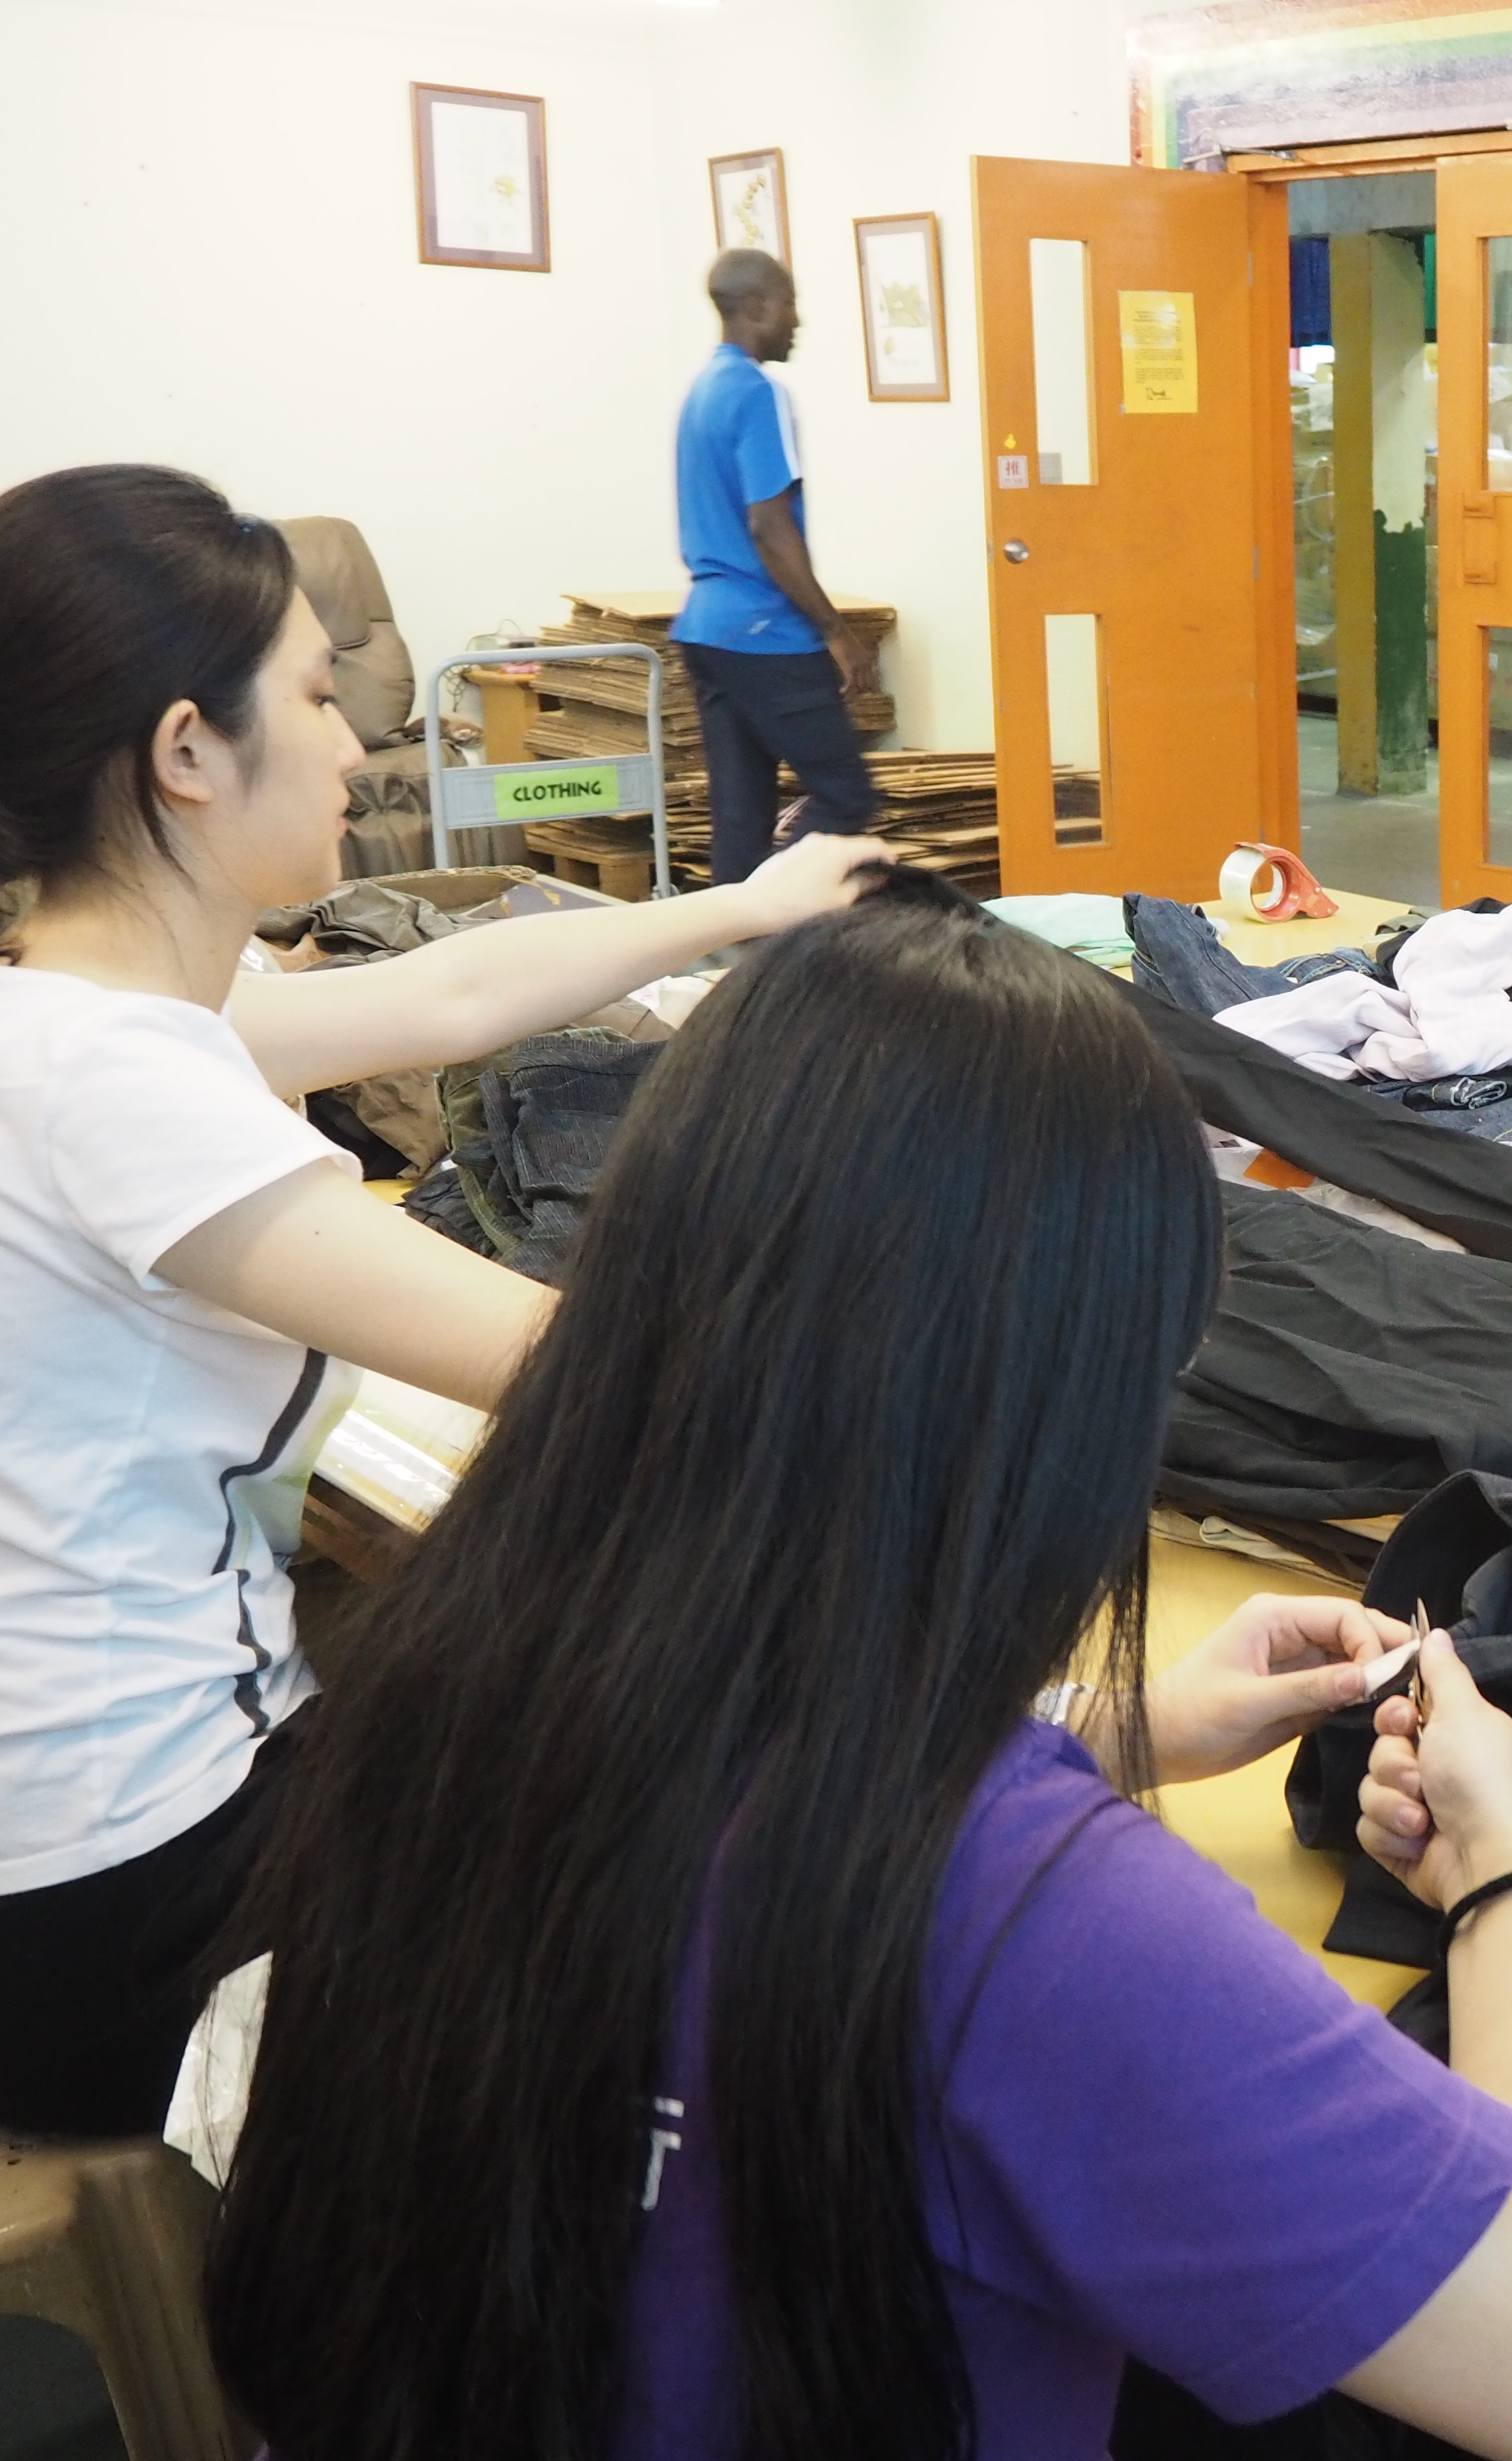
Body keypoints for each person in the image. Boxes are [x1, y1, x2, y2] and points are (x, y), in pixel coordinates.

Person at [201, 875, 1512, 2461]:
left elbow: (754, 1808)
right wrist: (1504, 1857)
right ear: (1054, 1397)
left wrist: (1127, 1730)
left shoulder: (438, 1686)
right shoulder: (1037, 1927)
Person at [0, 464, 886, 2136]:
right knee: (735, 1838)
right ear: (187, 750)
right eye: (319, 697)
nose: (354, 747)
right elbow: (568, 1365)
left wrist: (754, 905)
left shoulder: (72, 1014)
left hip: (73, 1847)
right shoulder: (111, 1078)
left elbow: (453, 987)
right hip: (126, 1911)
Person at [676, 249, 883, 885]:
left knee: (741, 821)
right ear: (759, 306)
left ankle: (738, 959)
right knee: (846, 794)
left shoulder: (704, 389)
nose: (798, 321)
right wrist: (835, 632)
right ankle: (785, 909)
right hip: (765, 633)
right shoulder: (757, 393)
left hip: (707, 633)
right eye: (790, 304)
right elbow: (770, 527)